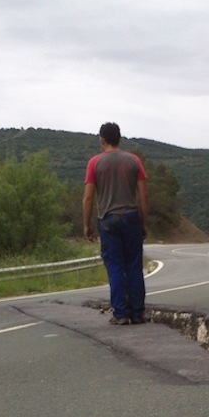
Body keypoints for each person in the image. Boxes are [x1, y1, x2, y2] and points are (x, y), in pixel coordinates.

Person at [82, 122, 150, 325]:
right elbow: (143, 196)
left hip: (108, 220)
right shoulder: (134, 161)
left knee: (115, 266)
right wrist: (144, 222)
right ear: (119, 138)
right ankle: (137, 313)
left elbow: (88, 198)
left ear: (102, 139)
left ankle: (120, 313)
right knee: (134, 266)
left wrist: (86, 225)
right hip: (131, 218)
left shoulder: (95, 163)